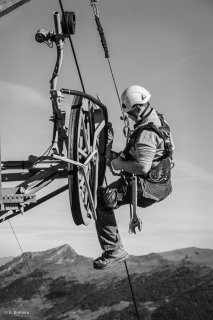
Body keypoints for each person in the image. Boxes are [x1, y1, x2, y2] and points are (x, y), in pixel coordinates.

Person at [93, 85, 174, 269]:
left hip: (147, 188)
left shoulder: (147, 132)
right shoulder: (160, 121)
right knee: (118, 163)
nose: (128, 117)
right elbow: (166, 151)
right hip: (162, 184)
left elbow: (142, 167)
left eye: (129, 113)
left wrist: (118, 164)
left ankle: (114, 250)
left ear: (137, 109)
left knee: (102, 200)